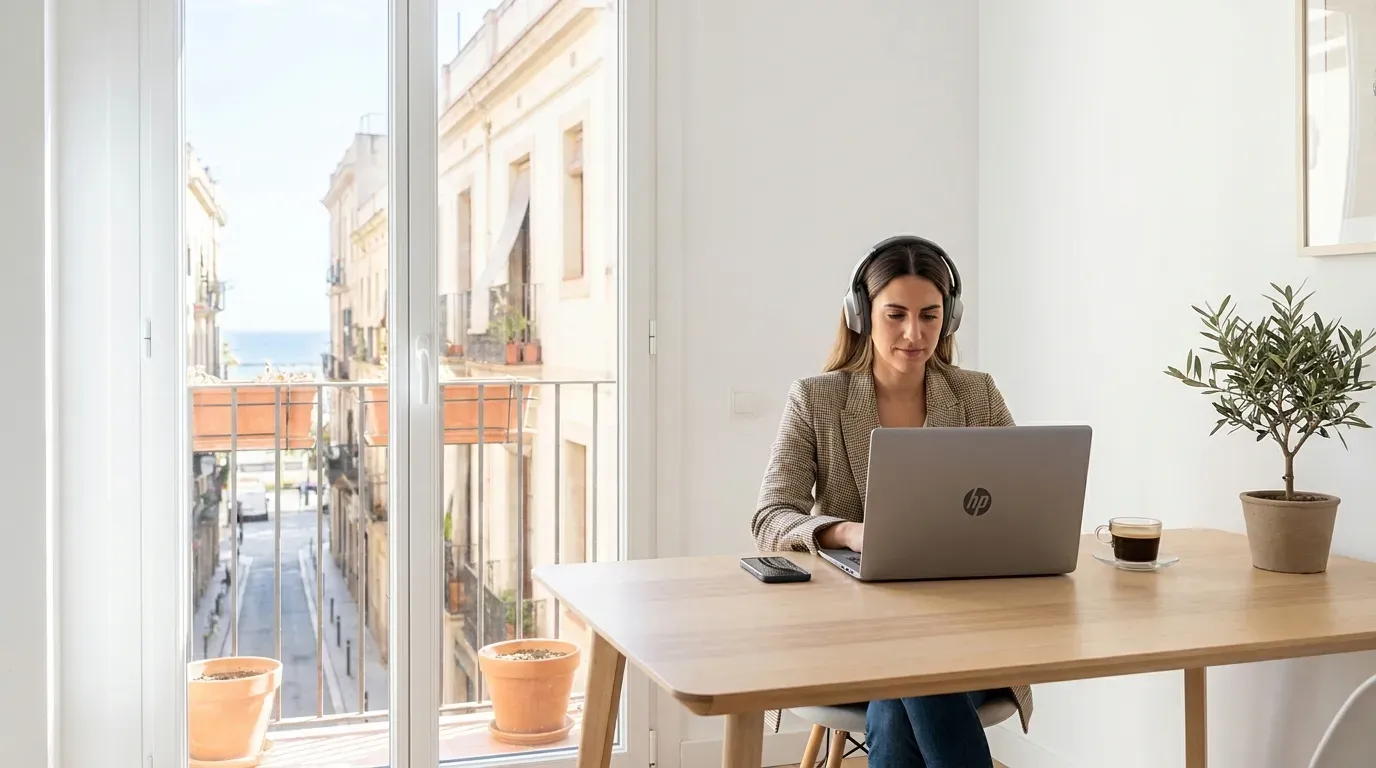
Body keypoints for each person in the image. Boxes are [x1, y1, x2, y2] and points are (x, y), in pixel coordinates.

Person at [751, 235, 1032, 768]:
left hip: (967, 628)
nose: (914, 333)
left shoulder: (977, 395)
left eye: (930, 315)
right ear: (861, 314)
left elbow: (1022, 501)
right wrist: (848, 532)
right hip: (854, 634)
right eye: (896, 314)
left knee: (907, 692)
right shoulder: (817, 398)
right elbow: (769, 517)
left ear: (949, 319)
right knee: (917, 684)